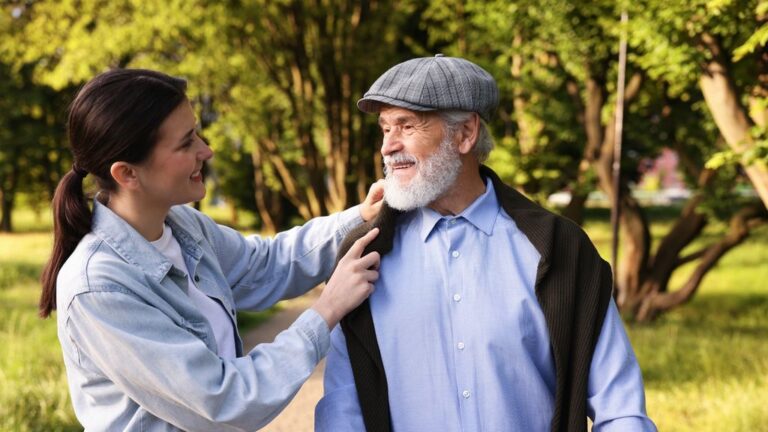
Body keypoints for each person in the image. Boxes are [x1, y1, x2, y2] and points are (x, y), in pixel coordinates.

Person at [316, 55, 657, 432]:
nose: (388, 146)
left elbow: (620, 407)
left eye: (406, 126)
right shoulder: (363, 256)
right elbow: (342, 409)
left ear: (466, 134)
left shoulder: (560, 250)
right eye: (384, 129)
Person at [39, 68, 385, 431]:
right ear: (127, 174)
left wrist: (360, 216)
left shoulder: (183, 226)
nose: (207, 149)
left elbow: (265, 265)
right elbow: (225, 400)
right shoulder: (99, 287)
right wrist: (327, 309)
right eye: (186, 142)